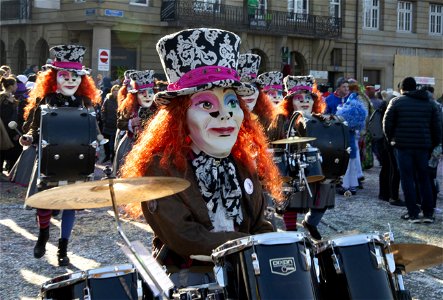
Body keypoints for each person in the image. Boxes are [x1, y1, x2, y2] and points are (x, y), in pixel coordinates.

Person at [121, 28, 282, 287]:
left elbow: (259, 219)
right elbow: (183, 236)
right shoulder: (161, 167)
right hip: (191, 276)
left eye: (231, 103)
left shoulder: (241, 161)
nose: (225, 115)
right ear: (180, 116)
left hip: (246, 271)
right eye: (207, 104)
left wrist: (268, 246)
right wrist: (246, 245)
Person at [20, 45, 100, 265]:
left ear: (82, 80)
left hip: (76, 162)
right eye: (65, 75)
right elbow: (34, 129)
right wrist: (27, 138)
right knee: (44, 203)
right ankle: (43, 235)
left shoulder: (86, 103)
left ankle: (63, 248)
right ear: (54, 78)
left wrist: (97, 145)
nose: (71, 80)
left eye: (75, 76)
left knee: (70, 204)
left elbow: (93, 130)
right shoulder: (45, 102)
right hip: (49, 161)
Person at [267, 75, 328, 239]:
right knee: (291, 198)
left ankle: (311, 222)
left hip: (315, 163)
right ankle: (291, 231)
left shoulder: (319, 118)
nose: (305, 101)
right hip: (290, 163)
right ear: (290, 102)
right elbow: (272, 140)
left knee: (325, 193)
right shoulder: (281, 118)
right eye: (299, 98)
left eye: (308, 98)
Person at [383, 77, 442, 223]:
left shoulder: (396, 102)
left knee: (407, 179)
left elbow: (387, 123)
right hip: (424, 147)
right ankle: (428, 213)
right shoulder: (430, 103)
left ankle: (413, 213)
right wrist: (434, 144)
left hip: (403, 147)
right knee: (425, 179)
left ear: (402, 89)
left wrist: (392, 140)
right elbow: (437, 127)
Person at [113, 70, 157, 175]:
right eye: (142, 93)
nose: (148, 96)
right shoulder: (128, 108)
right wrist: (130, 123)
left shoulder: (158, 109)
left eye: (150, 92)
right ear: (135, 96)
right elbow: (119, 124)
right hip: (130, 144)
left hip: (152, 146)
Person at [335, 92, 368, 196]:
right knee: (352, 166)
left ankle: (345, 187)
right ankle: (353, 186)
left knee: (346, 166)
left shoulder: (346, 112)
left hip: (346, 145)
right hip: (353, 145)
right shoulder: (359, 115)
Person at [0, 76, 19, 174]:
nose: (17, 86)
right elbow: (7, 117)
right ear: (11, 86)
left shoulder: (7, 97)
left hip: (7, 129)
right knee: (3, 151)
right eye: (15, 84)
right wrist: (12, 131)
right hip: (5, 130)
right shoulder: (5, 98)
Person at [100, 84, 119, 163]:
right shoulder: (107, 99)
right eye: (115, 90)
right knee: (106, 142)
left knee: (114, 143)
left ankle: (113, 157)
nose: (116, 92)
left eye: (118, 90)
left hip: (116, 125)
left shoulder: (120, 100)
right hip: (107, 124)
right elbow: (103, 110)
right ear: (112, 91)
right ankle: (107, 155)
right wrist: (104, 120)